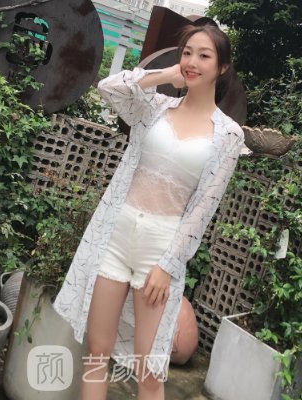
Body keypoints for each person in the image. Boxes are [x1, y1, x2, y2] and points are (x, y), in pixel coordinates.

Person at [53, 22, 245, 400]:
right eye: (187, 53)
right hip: (116, 234)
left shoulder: (228, 134)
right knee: (96, 353)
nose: (192, 62)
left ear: (222, 67)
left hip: (160, 246)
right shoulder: (155, 107)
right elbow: (109, 87)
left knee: (149, 371)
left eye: (204, 55)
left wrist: (167, 265)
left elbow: (203, 208)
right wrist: (165, 75)